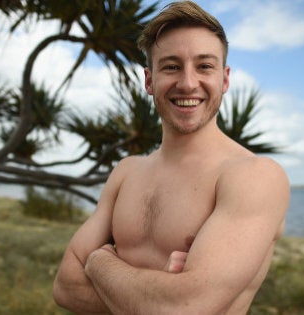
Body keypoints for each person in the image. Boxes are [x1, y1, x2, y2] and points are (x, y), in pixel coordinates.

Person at [53, 1, 289, 313]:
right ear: (149, 81)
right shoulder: (127, 171)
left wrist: (98, 262)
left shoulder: (253, 176)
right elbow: (66, 287)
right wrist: (155, 297)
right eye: (171, 66)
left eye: (204, 66)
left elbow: (181, 308)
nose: (188, 83)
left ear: (225, 78)